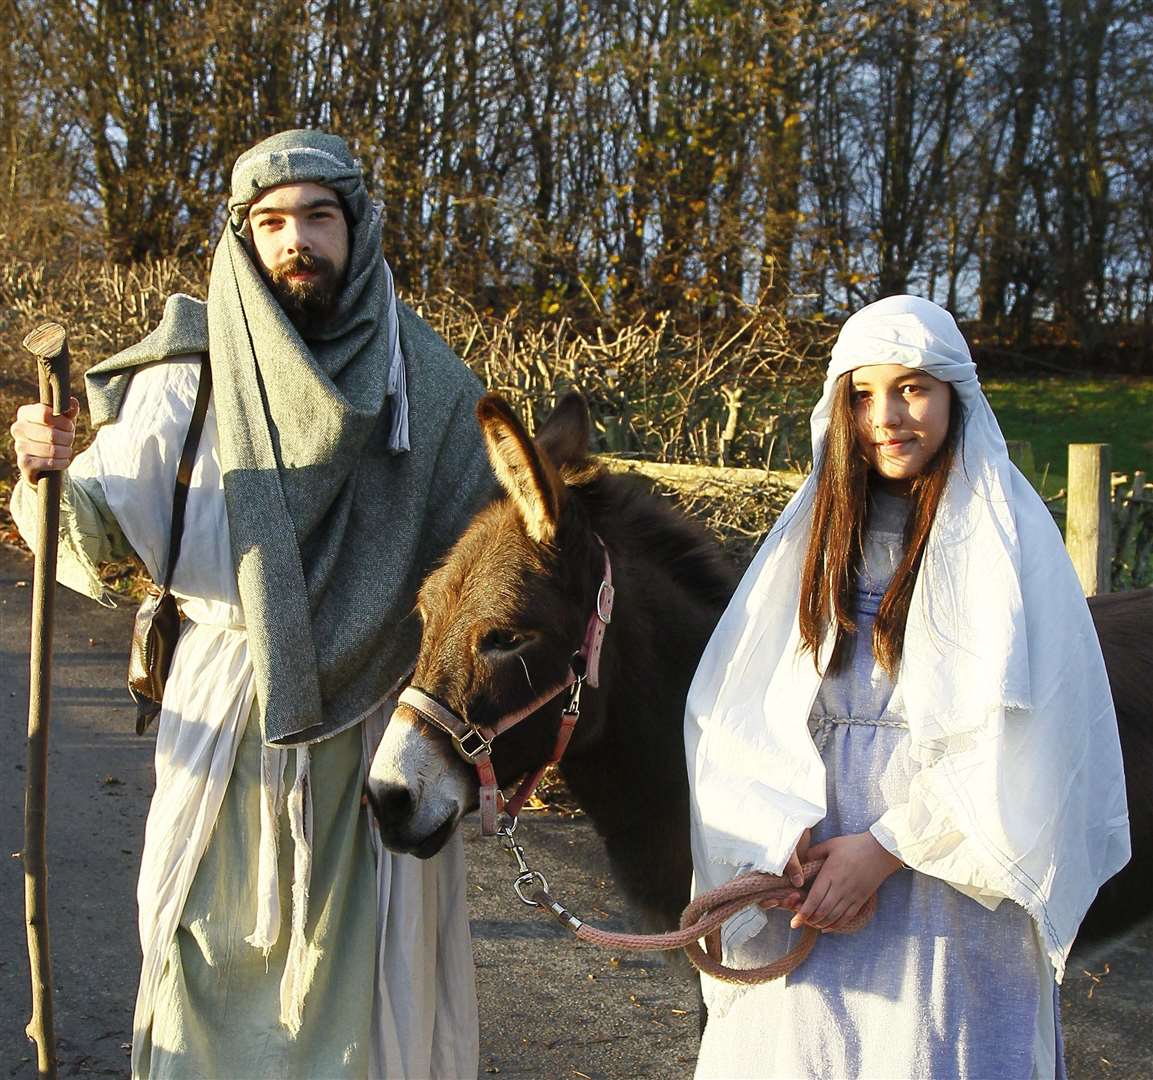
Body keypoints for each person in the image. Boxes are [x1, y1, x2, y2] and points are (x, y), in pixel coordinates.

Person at [9, 130, 492, 1078]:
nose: (295, 240)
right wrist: (45, 471)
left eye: (317, 217)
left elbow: (483, 573)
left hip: (376, 728)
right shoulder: (186, 377)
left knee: (365, 984)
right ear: (243, 235)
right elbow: (93, 534)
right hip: (225, 714)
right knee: (202, 946)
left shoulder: (426, 386)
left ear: (356, 227)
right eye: (271, 221)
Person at [684, 295, 1130, 1079]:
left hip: (947, 880)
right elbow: (737, 714)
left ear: (956, 392)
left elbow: (1024, 737)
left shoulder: (1007, 540)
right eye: (862, 394)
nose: (886, 415)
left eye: (913, 387)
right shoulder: (811, 539)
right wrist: (778, 839)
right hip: (811, 870)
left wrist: (885, 851)